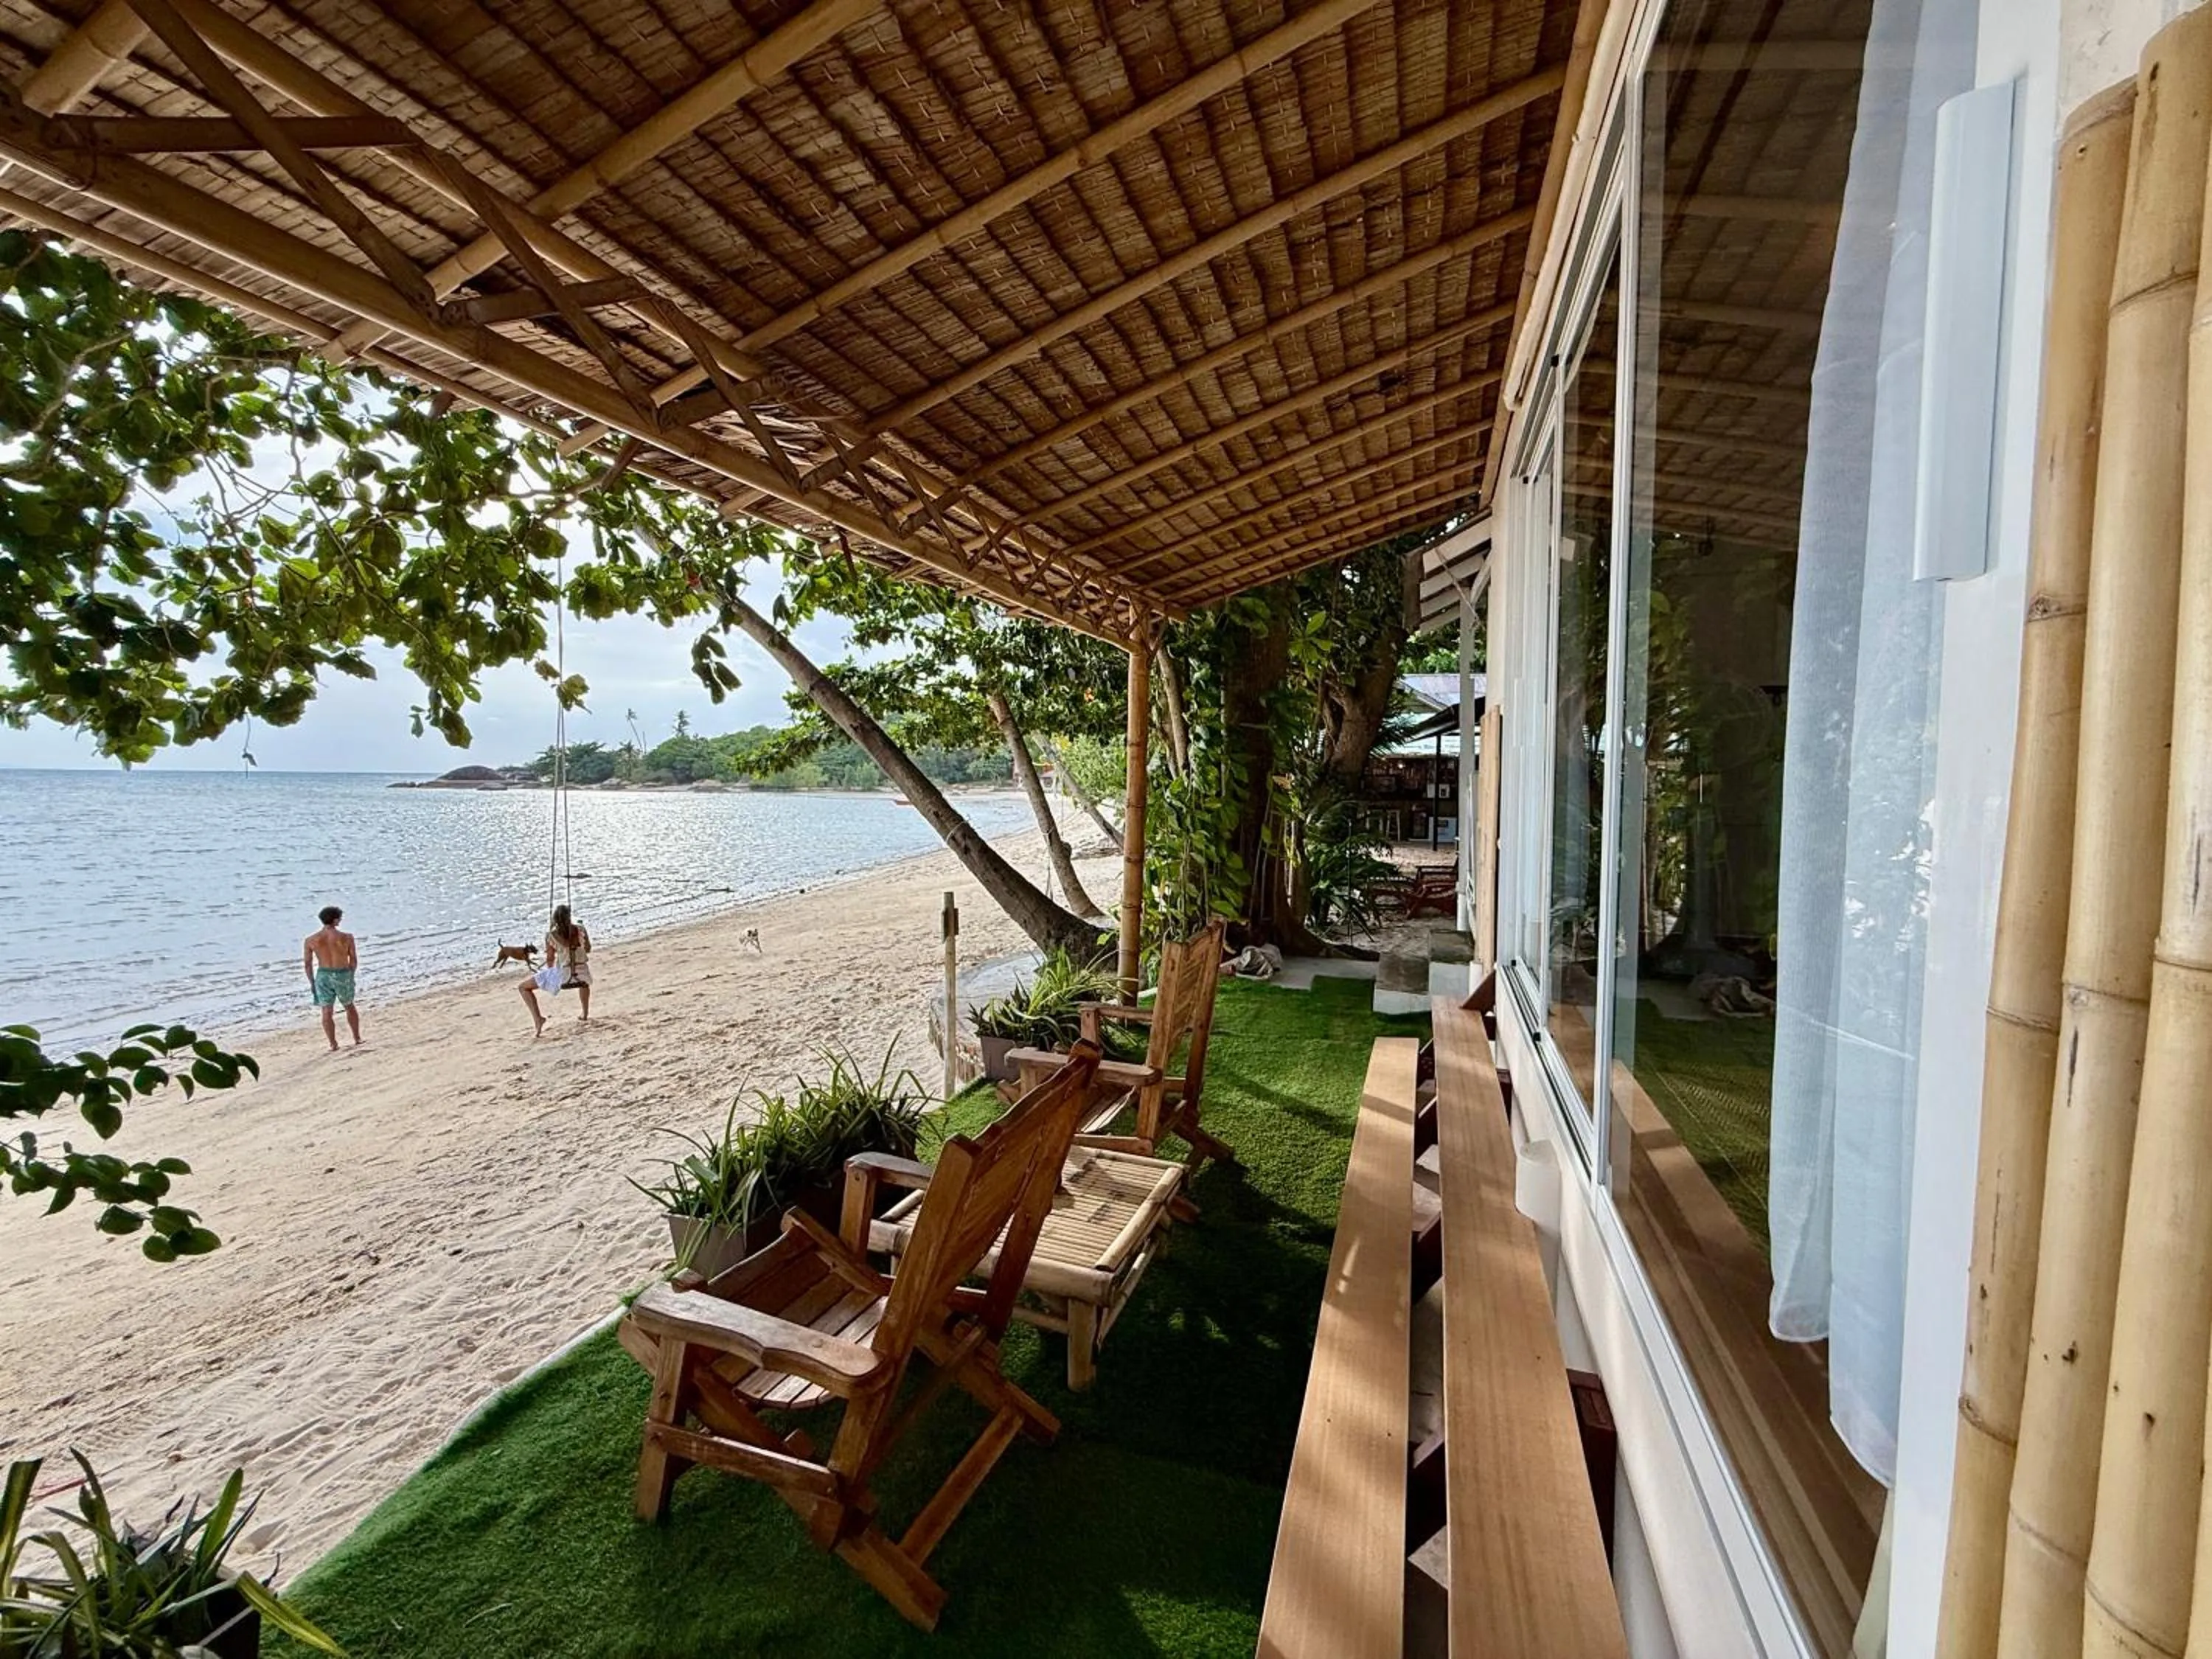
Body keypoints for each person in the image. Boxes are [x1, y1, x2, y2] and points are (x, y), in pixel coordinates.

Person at [519, 902, 592, 1037]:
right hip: (583, 973)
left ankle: (538, 1019)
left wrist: (549, 970)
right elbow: (588, 949)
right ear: (569, 916)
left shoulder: (551, 935)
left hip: (563, 975)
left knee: (523, 987)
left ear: (555, 919)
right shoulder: (581, 929)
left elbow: (550, 960)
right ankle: (585, 1013)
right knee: (583, 983)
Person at [303, 905, 361, 1051]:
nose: (340, 920)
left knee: (326, 1010)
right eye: (339, 918)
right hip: (342, 973)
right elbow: (353, 960)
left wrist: (312, 982)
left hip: (323, 975)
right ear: (335, 920)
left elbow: (308, 964)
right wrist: (351, 975)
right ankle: (357, 1038)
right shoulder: (347, 937)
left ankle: (333, 1044)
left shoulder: (311, 940)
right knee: (349, 1006)